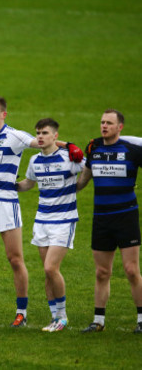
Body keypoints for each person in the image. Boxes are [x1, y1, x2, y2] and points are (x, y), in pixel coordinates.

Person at [0, 96, 82, 327]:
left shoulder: (16, 136)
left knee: (15, 259)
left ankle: (21, 312)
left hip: (6, 203)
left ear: (4, 114)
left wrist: (69, 146)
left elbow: (42, 142)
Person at [77, 110, 142, 334]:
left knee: (132, 270)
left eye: (109, 123)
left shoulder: (132, 150)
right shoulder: (94, 148)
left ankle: (141, 320)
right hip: (101, 218)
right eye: (102, 122)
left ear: (120, 127)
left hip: (126, 216)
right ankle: (98, 321)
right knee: (102, 272)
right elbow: (83, 179)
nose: (104, 126)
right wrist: (61, 186)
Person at [16, 118, 84, 332]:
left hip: (64, 220)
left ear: (55, 136)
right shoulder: (35, 160)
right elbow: (29, 183)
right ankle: (54, 317)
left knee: (50, 267)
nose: (40, 136)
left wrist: (78, 185)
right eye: (38, 133)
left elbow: (88, 167)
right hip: (42, 220)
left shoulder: (69, 158)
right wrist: (12, 185)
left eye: (45, 133)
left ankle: (62, 317)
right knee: (48, 273)